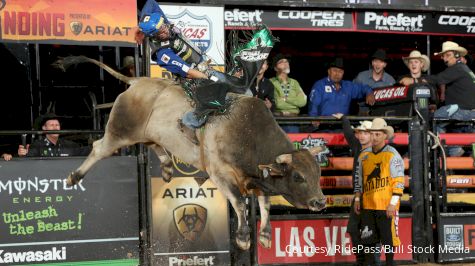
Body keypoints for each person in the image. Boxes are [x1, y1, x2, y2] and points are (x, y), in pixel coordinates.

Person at [354, 118, 405, 266]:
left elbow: (399, 181)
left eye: (378, 134)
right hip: (368, 205)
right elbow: (359, 181)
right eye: (373, 134)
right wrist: (357, 199)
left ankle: (389, 263)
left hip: (386, 205)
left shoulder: (392, 154)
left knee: (388, 240)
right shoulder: (363, 156)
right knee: (368, 240)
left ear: (384, 136)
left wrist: (393, 204)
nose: (375, 137)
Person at [333, 113, 372, 265]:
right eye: (360, 133)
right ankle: (361, 261)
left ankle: (368, 261)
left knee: (369, 233)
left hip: (372, 197)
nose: (361, 136)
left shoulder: (378, 152)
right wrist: (344, 118)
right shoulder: (357, 147)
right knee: (354, 230)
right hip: (359, 197)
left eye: (365, 133)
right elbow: (349, 133)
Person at [431, 41, 475, 156]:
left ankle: (446, 153)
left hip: (463, 111)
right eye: (443, 56)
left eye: (448, 55)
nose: (445, 59)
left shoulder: (458, 68)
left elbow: (438, 79)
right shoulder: (465, 69)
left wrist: (416, 80)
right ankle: (456, 151)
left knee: (435, 118)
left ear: (456, 55)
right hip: (469, 112)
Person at [308, 58, 375, 129]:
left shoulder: (348, 86)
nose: (337, 74)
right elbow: (313, 104)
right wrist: (314, 118)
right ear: (329, 71)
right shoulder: (320, 85)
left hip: (343, 127)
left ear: (343, 73)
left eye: (340, 71)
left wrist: (369, 92)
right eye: (334, 70)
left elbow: (363, 88)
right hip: (324, 126)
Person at [17, 114, 87, 157]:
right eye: (51, 125)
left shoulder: (71, 145)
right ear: (44, 128)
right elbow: (28, 164)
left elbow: (86, 153)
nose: (55, 127)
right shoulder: (37, 146)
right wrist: (22, 155)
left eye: (57, 125)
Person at [269, 54, 307, 132]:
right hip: (278, 120)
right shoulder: (271, 82)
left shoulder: (294, 82)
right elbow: (277, 103)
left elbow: (303, 102)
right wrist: (294, 100)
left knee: (293, 143)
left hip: (293, 120)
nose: (285, 63)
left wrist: (285, 99)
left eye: (286, 61)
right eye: (281, 62)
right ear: (275, 68)